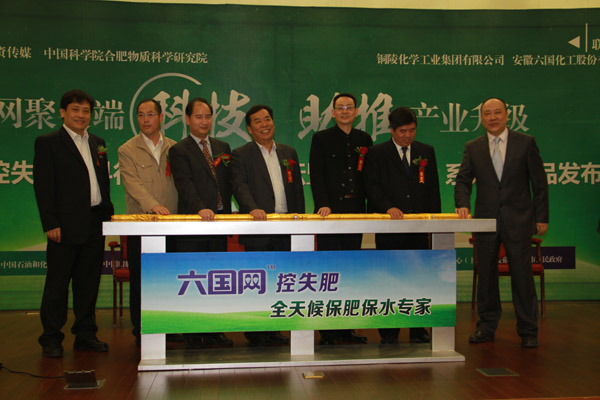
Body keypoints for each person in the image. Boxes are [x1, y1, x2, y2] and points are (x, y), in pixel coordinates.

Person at [455, 97, 549, 348]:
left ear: (507, 115)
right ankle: (486, 326)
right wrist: (462, 203)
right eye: (487, 113)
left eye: (497, 112)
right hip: (485, 220)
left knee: (522, 276)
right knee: (486, 275)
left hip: (519, 220)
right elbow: (463, 180)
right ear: (481, 118)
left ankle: (528, 330)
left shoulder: (525, 143)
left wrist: (541, 217)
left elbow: (539, 183)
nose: (492, 117)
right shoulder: (473, 147)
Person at [33, 89, 114, 358]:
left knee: (88, 283)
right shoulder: (48, 143)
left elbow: (103, 182)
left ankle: (85, 334)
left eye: (86, 111)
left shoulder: (97, 143)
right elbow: (43, 187)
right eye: (75, 110)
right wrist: (50, 222)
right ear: (63, 112)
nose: (81, 115)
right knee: (57, 284)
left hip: (94, 221)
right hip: (64, 226)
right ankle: (51, 338)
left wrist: (107, 213)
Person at [364, 106, 440, 344]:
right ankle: (389, 330)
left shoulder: (426, 151)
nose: (408, 135)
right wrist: (387, 207)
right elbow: (371, 186)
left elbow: (433, 188)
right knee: (389, 277)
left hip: (418, 228)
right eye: (403, 131)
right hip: (390, 227)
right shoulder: (377, 153)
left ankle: (418, 328)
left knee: (419, 277)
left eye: (412, 130)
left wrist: (435, 221)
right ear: (392, 130)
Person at [231, 104, 305, 346]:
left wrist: (300, 221)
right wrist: (252, 208)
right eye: (258, 121)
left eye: (267, 119)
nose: (264, 125)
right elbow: (239, 186)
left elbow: (297, 189)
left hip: (285, 226)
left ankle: (274, 327)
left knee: (280, 280)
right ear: (250, 128)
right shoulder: (241, 154)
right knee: (258, 281)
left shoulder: (288, 152)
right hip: (259, 227)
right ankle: (255, 330)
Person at [168, 97, 234, 348]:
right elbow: (184, 184)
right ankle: (193, 333)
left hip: (219, 223)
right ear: (187, 119)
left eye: (208, 116)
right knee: (194, 279)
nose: (204, 121)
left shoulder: (222, 146)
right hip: (193, 225)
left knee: (217, 279)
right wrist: (200, 208)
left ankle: (215, 330)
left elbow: (229, 183)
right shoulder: (179, 150)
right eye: (198, 117)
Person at [309, 92, 372, 345]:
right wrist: (322, 204)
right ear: (333, 112)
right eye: (340, 107)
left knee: (350, 269)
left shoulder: (364, 139)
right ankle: (327, 331)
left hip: (355, 211)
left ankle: (346, 327)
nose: (345, 111)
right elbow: (317, 175)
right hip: (330, 212)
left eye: (349, 107)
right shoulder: (321, 139)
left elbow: (369, 176)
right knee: (329, 270)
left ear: (356, 112)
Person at [118, 98, 178, 345]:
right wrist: (153, 206)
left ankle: (171, 327)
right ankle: (142, 330)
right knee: (142, 279)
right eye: (141, 115)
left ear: (161, 117)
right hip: (142, 224)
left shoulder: (175, 148)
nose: (145, 120)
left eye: (150, 114)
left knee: (170, 278)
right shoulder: (127, 150)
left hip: (174, 224)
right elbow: (133, 185)